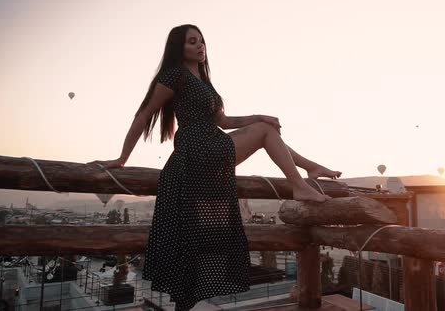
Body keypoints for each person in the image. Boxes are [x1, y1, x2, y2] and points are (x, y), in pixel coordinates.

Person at [89, 24, 342, 310]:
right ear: (179, 48)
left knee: (265, 129)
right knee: (264, 132)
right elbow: (144, 113)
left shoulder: (204, 81)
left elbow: (224, 122)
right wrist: (122, 158)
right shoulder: (174, 75)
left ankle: (310, 170)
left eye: (201, 41)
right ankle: (301, 184)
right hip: (198, 149)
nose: (200, 46)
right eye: (192, 42)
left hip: (211, 142)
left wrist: (260, 115)